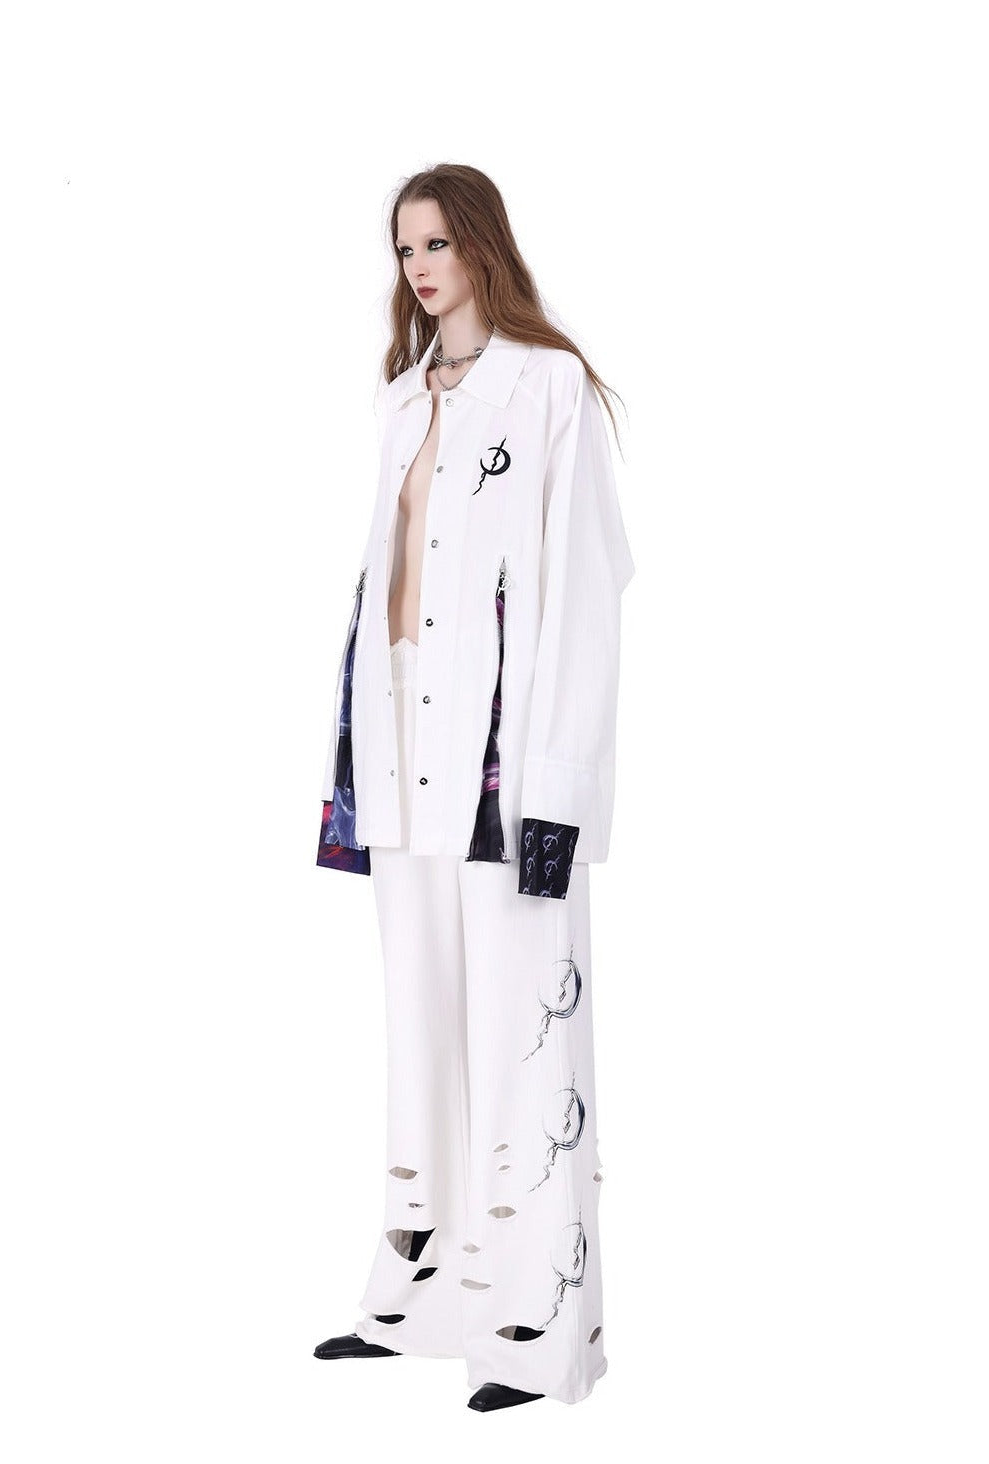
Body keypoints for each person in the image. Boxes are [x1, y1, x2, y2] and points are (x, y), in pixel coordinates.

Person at [313, 164, 636, 1411]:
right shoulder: (403, 401)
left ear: (483, 246)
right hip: (399, 754)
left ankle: (534, 1331)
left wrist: (558, 785)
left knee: (521, 1032)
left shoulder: (549, 389)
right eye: (405, 248)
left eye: (438, 242)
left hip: (506, 768)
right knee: (424, 1031)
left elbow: (585, 593)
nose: (420, 266)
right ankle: (421, 1303)